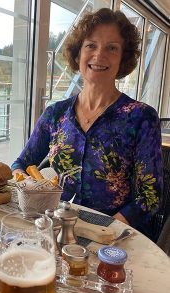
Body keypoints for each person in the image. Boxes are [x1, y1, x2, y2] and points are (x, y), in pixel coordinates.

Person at [11, 8, 163, 239]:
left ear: (123, 57)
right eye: (91, 45)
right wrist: (29, 191)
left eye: (112, 48)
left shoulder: (141, 117)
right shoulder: (55, 114)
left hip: (112, 235)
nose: (99, 55)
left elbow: (150, 196)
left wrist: (107, 229)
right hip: (56, 227)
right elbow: (21, 163)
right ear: (78, 53)